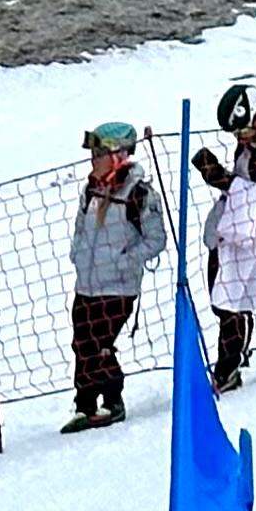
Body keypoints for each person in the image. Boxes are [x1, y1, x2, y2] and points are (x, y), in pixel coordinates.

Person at [193, 82, 256, 393]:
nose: (239, 139)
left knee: (233, 303)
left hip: (250, 237)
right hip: (231, 231)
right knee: (220, 299)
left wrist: (224, 180)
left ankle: (229, 367)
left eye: (243, 131)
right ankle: (231, 359)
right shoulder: (252, 146)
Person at [64, 121, 161, 433]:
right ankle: (85, 404)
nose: (93, 159)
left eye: (99, 153)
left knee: (100, 342)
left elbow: (155, 239)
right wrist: (78, 255)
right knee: (82, 343)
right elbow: (81, 229)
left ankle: (112, 400)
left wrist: (124, 261)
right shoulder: (91, 189)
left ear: (119, 155)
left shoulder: (139, 194)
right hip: (88, 283)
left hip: (118, 287)